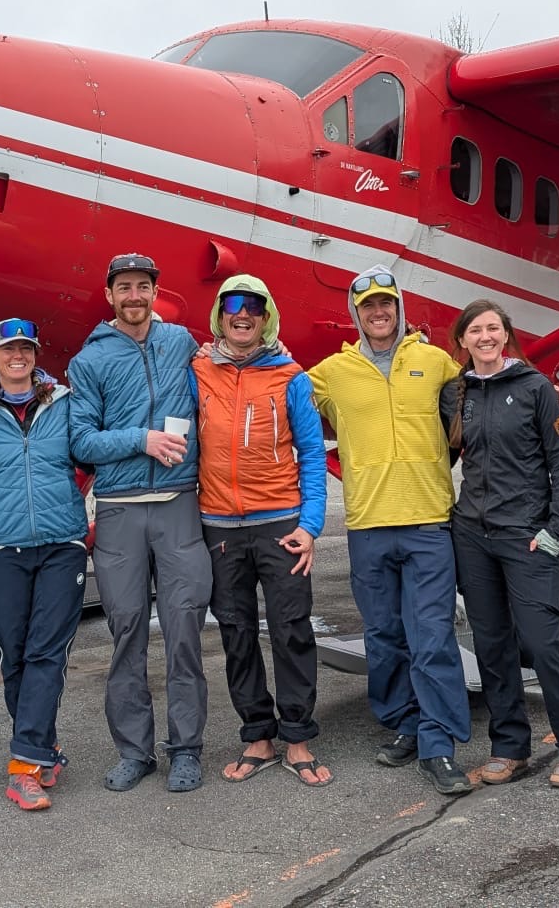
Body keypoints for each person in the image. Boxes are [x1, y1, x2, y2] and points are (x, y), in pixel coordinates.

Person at [304, 265, 476, 795]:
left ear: (400, 308)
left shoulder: (435, 361)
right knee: (382, 636)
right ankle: (403, 723)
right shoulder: (332, 372)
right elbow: (276, 400)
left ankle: (439, 742)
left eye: (386, 304)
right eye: (368, 307)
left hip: (427, 521)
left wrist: (551, 404)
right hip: (368, 525)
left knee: (431, 635)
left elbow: (485, 393)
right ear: (355, 315)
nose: (378, 314)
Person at [67, 252, 215, 794]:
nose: (134, 295)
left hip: (178, 504)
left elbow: (225, 371)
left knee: (183, 633)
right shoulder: (89, 362)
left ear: (157, 291)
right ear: (110, 295)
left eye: (143, 286)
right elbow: (81, 441)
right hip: (121, 510)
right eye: (124, 287)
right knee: (127, 631)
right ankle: (134, 751)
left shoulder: (180, 343)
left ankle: (186, 749)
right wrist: (141, 439)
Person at [443, 298, 559, 789]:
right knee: (492, 645)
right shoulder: (457, 394)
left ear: (506, 336)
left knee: (540, 640)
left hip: (526, 535)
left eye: (494, 329)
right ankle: (509, 746)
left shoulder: (536, 389)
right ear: (463, 341)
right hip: (473, 534)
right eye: (476, 331)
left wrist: (556, 531)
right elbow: (441, 452)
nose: (485, 337)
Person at [191, 275, 332, 788]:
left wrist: (310, 526)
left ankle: (296, 738)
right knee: (236, 632)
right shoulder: (198, 371)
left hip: (279, 522)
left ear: (267, 315)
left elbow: (313, 454)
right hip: (220, 525)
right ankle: (258, 735)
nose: (242, 314)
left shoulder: (291, 377)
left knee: (292, 628)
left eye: (254, 305)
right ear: (220, 315)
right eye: (232, 304)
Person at [0, 317, 88, 811]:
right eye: (8, 349)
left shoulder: (64, 404)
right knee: (11, 654)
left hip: (62, 543)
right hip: (1, 546)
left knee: (45, 651)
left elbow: (94, 448)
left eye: (27, 348)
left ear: (36, 356)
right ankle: (44, 746)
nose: (19, 356)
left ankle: (24, 768)